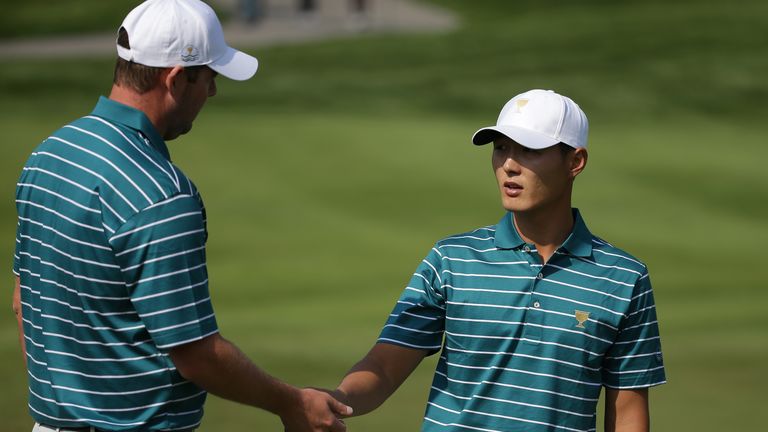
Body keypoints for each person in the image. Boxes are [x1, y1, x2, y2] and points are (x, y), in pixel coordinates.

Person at [11, 1, 350, 431]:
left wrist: (69, 401)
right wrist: (292, 403)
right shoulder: (161, 194)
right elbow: (196, 355)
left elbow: (25, 300)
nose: (212, 92)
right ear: (175, 78)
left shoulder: (49, 155)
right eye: (209, 77)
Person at [330, 89, 666, 431]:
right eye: (501, 148)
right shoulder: (451, 259)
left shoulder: (625, 277)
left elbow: (627, 412)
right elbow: (385, 367)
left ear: (575, 162)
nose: (508, 165)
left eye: (530, 151)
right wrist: (335, 401)